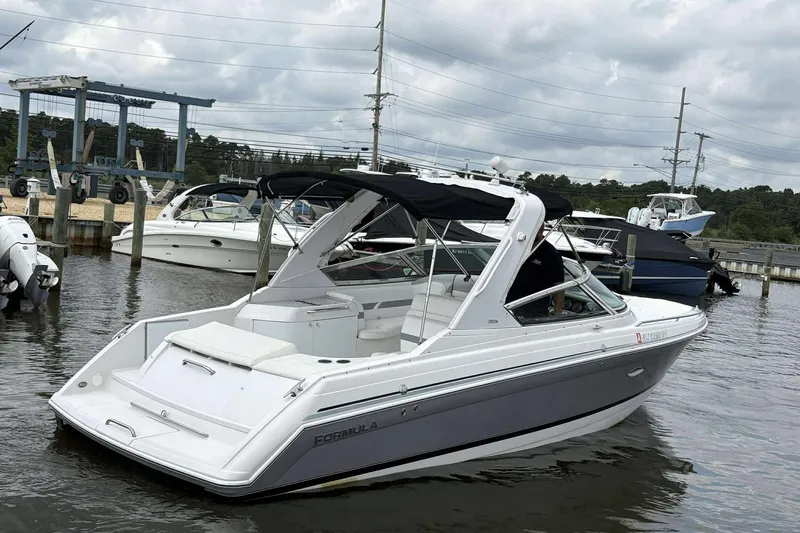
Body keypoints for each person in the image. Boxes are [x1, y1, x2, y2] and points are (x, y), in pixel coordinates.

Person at [505, 223, 565, 319]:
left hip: (535, 310)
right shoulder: (518, 247)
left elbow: (559, 286)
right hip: (510, 304)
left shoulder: (551, 254)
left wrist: (557, 313)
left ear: (541, 231)